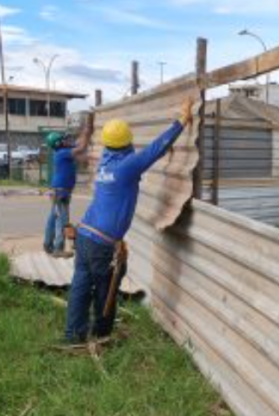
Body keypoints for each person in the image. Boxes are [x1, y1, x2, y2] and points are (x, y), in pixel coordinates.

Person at [64, 98, 194, 344]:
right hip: (101, 244)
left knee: (81, 286)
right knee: (106, 288)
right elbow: (156, 148)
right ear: (127, 142)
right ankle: (101, 335)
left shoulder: (106, 161)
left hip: (84, 236)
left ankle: (73, 335)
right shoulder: (127, 167)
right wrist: (182, 121)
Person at [43, 121, 93, 258]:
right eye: (62, 140)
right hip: (61, 192)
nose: (65, 141)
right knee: (62, 220)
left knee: (53, 217)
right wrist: (87, 130)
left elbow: (80, 148)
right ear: (58, 144)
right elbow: (81, 148)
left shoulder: (64, 153)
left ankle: (47, 245)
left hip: (59, 190)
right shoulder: (62, 153)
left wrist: (85, 132)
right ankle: (58, 248)